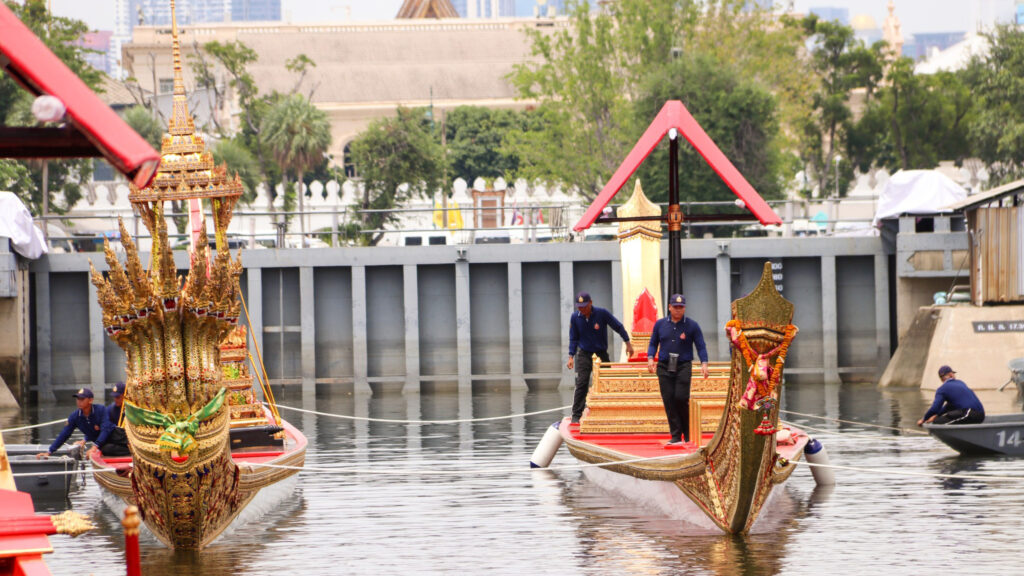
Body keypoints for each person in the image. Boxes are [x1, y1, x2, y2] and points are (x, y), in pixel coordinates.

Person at [647, 294, 709, 446]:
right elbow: (653, 343)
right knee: (668, 400)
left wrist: (704, 363)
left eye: (681, 307)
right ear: (669, 307)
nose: (678, 310)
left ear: (685, 308)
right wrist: (650, 358)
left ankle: (687, 433)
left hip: (683, 366)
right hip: (664, 366)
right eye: (675, 307)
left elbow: (701, 345)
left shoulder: (692, 325)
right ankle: (675, 434)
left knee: (681, 398)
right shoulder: (660, 324)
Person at [567, 291, 634, 424]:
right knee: (582, 382)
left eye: (585, 306)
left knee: (607, 382)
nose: (582, 309)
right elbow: (573, 338)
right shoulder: (575, 317)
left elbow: (618, 326)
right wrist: (570, 356)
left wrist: (627, 343)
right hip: (584, 354)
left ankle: (609, 411)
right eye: (580, 307)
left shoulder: (601, 313)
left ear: (591, 303)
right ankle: (576, 414)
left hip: (601, 354)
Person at [36, 388, 115, 459]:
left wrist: (95, 447)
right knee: (106, 449)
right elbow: (64, 434)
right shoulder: (75, 416)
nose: (79, 402)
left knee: (107, 448)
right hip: (103, 446)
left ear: (90, 400)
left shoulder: (101, 410)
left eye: (82, 399)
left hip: (115, 439)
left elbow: (106, 430)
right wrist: (49, 452)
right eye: (78, 399)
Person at [917, 365, 985, 426]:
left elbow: (935, 408)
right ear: (951, 375)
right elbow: (949, 406)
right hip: (981, 415)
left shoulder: (942, 389)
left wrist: (924, 419)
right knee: (943, 418)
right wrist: (937, 415)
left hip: (969, 414)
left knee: (937, 423)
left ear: (941, 379)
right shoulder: (961, 383)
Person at [102, 381, 131, 456]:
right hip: (120, 440)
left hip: (131, 438)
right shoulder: (110, 409)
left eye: (118, 397)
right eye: (114, 397)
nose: (115, 399)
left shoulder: (132, 409)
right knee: (106, 447)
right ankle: (129, 451)